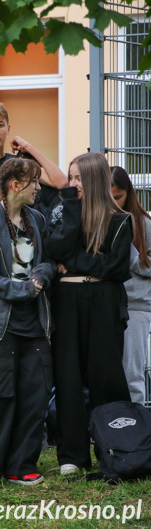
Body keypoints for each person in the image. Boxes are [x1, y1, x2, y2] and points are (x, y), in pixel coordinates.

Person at [0, 158, 55, 491]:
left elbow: (47, 261)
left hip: (36, 323)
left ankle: (22, 465)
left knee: (34, 397)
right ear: (15, 184)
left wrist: (41, 278)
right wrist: (23, 289)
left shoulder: (37, 219)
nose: (39, 187)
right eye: (34, 181)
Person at [47, 152, 133, 475]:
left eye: (78, 178)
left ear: (94, 179)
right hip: (67, 300)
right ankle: (72, 454)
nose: (73, 184)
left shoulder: (120, 219)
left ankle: (114, 446)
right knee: (67, 375)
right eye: (70, 177)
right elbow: (55, 250)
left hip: (103, 301)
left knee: (106, 376)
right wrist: (70, 206)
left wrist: (76, 262)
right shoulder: (66, 213)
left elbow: (117, 267)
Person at [0, 102, 67, 220]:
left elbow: (61, 182)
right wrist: (11, 177)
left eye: (0, 125)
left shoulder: (20, 163)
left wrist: (29, 147)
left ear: (8, 129)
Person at [111, 166, 151, 403]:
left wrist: (132, 259)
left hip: (136, 306)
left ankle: (136, 434)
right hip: (107, 302)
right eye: (109, 198)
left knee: (132, 375)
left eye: (118, 197)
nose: (114, 203)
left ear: (129, 193)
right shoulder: (101, 220)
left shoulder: (144, 223)